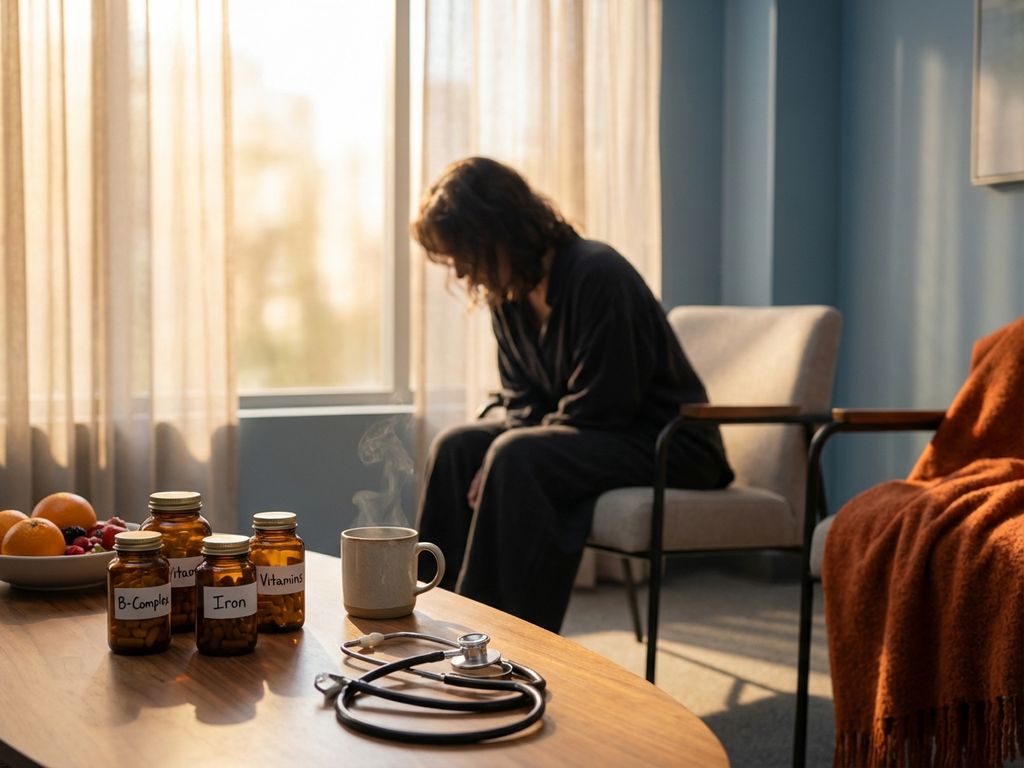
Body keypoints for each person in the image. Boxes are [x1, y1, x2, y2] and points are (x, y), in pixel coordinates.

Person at [411, 156, 734, 633]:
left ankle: (494, 641)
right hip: (595, 436)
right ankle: (430, 616)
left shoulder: (597, 273)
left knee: (517, 455)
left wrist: (508, 448)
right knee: (457, 446)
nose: (462, 273)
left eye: (465, 253)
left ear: (498, 230)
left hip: (667, 443)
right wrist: (502, 446)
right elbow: (522, 400)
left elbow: (607, 402)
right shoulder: (509, 298)